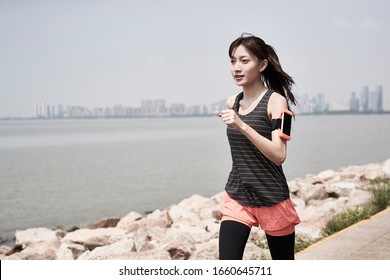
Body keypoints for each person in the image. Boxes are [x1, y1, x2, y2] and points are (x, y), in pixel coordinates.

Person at [218, 33, 301, 260]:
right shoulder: (231, 102)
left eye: (245, 61)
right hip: (238, 197)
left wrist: (242, 125)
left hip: (272, 197)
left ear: (262, 64)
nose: (237, 67)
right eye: (233, 61)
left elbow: (279, 155)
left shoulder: (276, 102)